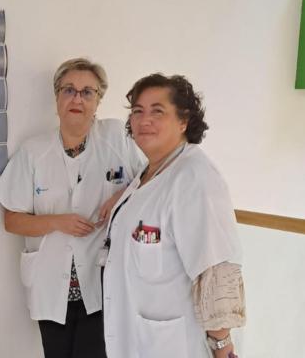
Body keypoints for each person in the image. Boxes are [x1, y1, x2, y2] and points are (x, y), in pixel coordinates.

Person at [0, 58, 144, 358]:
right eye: (69, 90)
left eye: (88, 92)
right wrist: (58, 222)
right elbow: (12, 220)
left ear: (98, 101)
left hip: (102, 285)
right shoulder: (33, 152)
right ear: (57, 98)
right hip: (51, 288)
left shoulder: (117, 138)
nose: (77, 98)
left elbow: (151, 178)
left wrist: (122, 196)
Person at [102, 73, 245, 358]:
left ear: (184, 121)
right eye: (138, 111)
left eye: (158, 111)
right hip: (138, 337)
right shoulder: (149, 172)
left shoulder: (195, 178)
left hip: (175, 344)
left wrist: (221, 346)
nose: (144, 120)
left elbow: (214, 269)